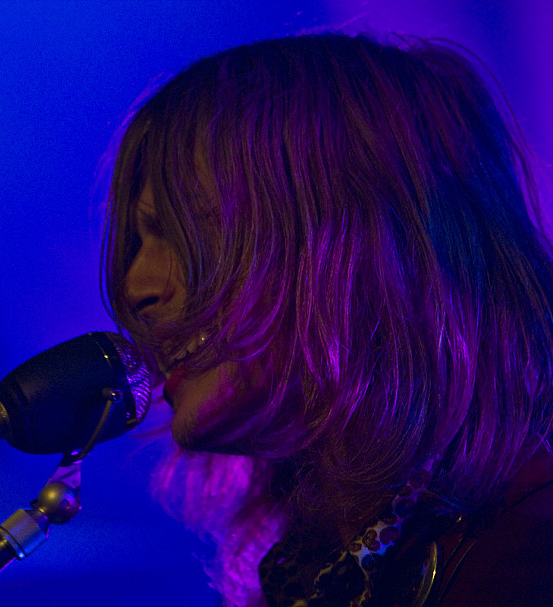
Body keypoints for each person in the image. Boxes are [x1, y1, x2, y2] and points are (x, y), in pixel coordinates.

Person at [102, 33, 553, 607]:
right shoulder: (320, 566)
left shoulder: (528, 548)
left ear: (346, 238)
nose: (135, 287)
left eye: (178, 229)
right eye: (139, 241)